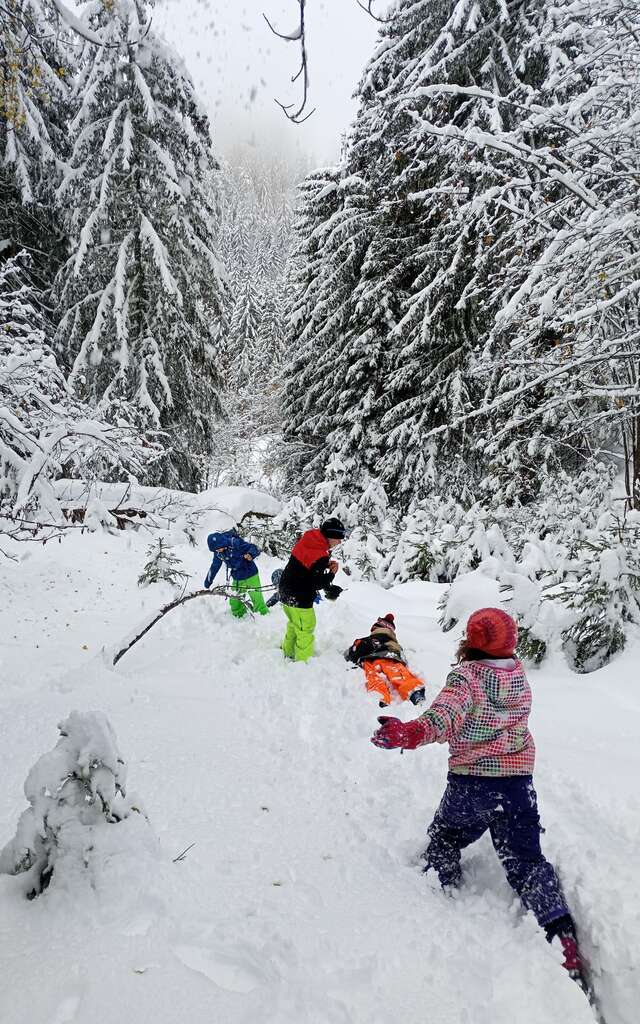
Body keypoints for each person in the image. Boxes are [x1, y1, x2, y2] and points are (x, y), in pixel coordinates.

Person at [371, 607, 587, 990]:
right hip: (519, 784)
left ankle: (439, 900)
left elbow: (441, 719)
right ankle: (561, 936)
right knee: (527, 861)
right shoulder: (517, 674)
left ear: (470, 641)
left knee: (446, 838)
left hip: (473, 785)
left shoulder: (467, 678)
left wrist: (408, 733)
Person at [278, 517, 344, 661]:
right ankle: (303, 662)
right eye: (338, 537)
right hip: (299, 596)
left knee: (294, 624)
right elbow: (316, 584)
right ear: (330, 536)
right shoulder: (320, 554)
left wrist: (323, 565)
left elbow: (305, 565)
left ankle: (288, 652)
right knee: (306, 629)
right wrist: (332, 573)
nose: (340, 542)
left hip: (285, 591)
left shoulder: (309, 540)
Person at [345, 613, 425, 706]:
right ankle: (414, 691)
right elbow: (403, 658)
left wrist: (349, 655)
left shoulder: (373, 639)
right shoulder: (394, 643)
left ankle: (380, 696)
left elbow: (357, 647)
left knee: (373, 677)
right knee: (399, 674)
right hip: (394, 660)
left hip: (372, 661)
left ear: (376, 628)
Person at [204, 529, 269, 618]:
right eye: (216, 550)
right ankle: (239, 616)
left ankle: (263, 616)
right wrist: (208, 581)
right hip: (237, 577)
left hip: (250, 574)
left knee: (256, 597)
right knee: (234, 600)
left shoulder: (234, 543)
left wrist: (250, 554)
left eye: (219, 548)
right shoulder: (218, 552)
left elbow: (253, 548)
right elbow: (215, 566)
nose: (218, 550)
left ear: (222, 543)